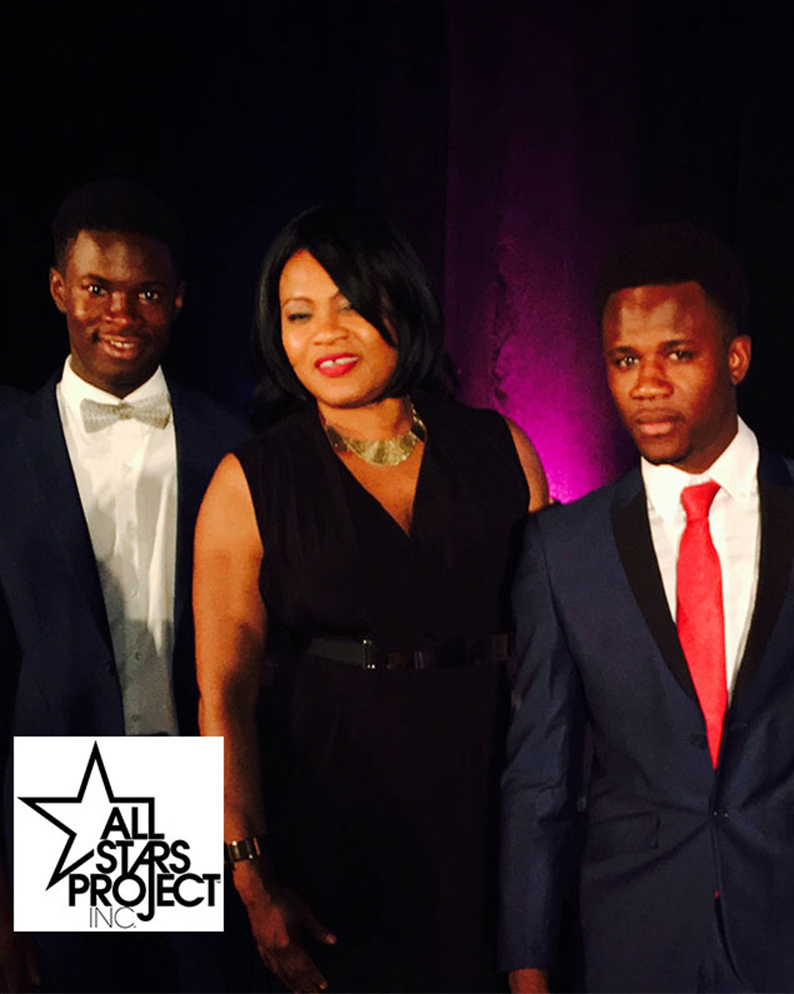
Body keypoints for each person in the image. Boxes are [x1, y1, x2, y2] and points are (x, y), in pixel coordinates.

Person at [500, 224, 794, 993]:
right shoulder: (565, 548)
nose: (646, 384)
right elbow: (540, 776)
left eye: (676, 355)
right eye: (625, 360)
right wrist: (528, 962)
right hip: (634, 930)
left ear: (735, 359)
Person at [194, 205, 548, 993]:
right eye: (299, 314)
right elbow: (224, 691)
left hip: (484, 812)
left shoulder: (502, 449)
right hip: (329, 825)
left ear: (404, 304)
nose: (326, 333)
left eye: (352, 305)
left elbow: (556, 655)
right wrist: (249, 876)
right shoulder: (248, 481)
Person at [0, 179, 250, 991]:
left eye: (145, 292)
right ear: (58, 290)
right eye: (98, 288)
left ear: (177, 300)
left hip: (201, 785)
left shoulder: (235, 444)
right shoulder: (4, 446)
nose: (120, 312)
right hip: (55, 791)